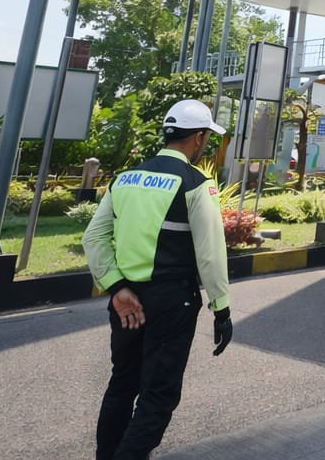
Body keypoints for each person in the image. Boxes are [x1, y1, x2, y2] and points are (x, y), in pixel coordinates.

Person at [83, 99, 233, 460]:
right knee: (158, 394)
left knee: (123, 384)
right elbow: (211, 254)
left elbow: (94, 238)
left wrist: (117, 288)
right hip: (172, 301)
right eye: (206, 139)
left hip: (126, 301)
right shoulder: (195, 184)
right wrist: (222, 309)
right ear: (198, 137)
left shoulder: (124, 179)